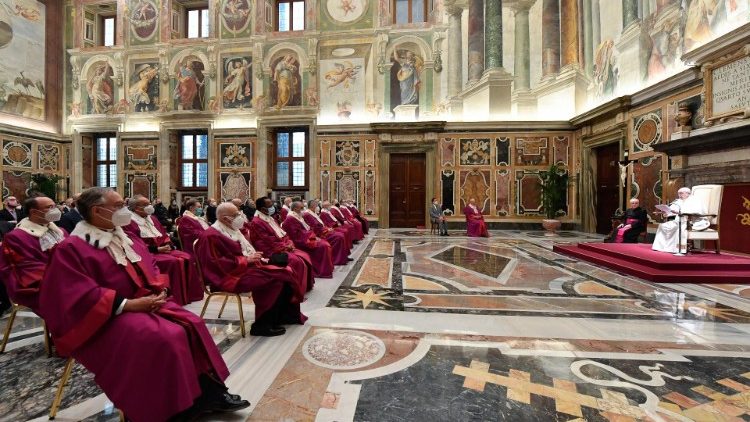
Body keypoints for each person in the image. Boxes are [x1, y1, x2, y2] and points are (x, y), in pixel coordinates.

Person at [38, 187, 249, 422]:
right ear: (98, 211)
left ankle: (208, 395)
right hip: (105, 316)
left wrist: (160, 289)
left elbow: (151, 266)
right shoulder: (73, 248)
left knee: (192, 324)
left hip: (143, 303)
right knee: (163, 338)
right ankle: (167, 409)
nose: (124, 210)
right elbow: (73, 293)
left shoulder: (126, 237)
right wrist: (127, 304)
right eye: (119, 206)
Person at [196, 203, 306, 336]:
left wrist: (253, 257)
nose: (240, 216)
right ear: (225, 218)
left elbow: (241, 250)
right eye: (236, 215)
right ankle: (262, 325)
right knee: (274, 280)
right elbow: (213, 263)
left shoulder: (231, 228)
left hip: (242, 269)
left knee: (285, 272)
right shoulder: (210, 236)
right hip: (227, 277)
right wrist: (245, 260)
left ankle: (285, 316)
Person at [123, 195, 203, 305]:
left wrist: (168, 245)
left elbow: (163, 234)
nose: (150, 206)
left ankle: (188, 295)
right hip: (148, 253)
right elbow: (135, 244)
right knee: (173, 262)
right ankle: (174, 298)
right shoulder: (129, 222)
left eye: (150, 203)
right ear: (136, 208)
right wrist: (156, 249)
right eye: (146, 205)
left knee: (186, 257)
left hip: (163, 249)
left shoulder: (153, 219)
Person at [0, 196, 67, 313]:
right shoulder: (17, 237)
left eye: (54, 206)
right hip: (38, 285)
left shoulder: (60, 231)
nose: (55, 210)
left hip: (63, 276)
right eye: (49, 207)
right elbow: (27, 269)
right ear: (34, 212)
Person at [249, 197, 314, 294]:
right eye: (270, 205)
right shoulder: (257, 221)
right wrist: (284, 247)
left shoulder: (270, 218)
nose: (273, 207)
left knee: (304, 255)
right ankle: (294, 291)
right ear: (262, 209)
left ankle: (304, 287)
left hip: (280, 245)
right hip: (269, 251)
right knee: (295, 260)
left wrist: (289, 242)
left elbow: (282, 233)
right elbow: (268, 240)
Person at [282, 201, 335, 278]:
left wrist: (313, 235)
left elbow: (307, 228)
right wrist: (312, 237)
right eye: (302, 208)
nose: (304, 209)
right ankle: (321, 270)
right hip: (300, 241)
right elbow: (296, 235)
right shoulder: (290, 219)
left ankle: (326, 269)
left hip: (306, 238)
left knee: (325, 244)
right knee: (324, 246)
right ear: (296, 209)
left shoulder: (298, 216)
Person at [652, 187, 706, 254]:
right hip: (679, 220)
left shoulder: (695, 200)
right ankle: (664, 247)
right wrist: (664, 212)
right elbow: (671, 210)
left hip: (693, 221)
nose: (679, 195)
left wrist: (679, 212)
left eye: (681, 193)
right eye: (678, 193)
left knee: (680, 228)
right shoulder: (678, 201)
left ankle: (679, 249)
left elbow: (697, 211)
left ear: (687, 193)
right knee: (663, 226)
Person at [303, 199, 351, 265]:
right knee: (339, 236)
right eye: (317, 205)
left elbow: (321, 224)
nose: (318, 207)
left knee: (342, 234)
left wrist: (327, 228)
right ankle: (337, 259)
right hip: (320, 234)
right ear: (312, 206)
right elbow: (313, 227)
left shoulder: (313, 213)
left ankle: (343, 257)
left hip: (324, 230)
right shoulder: (307, 214)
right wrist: (327, 230)